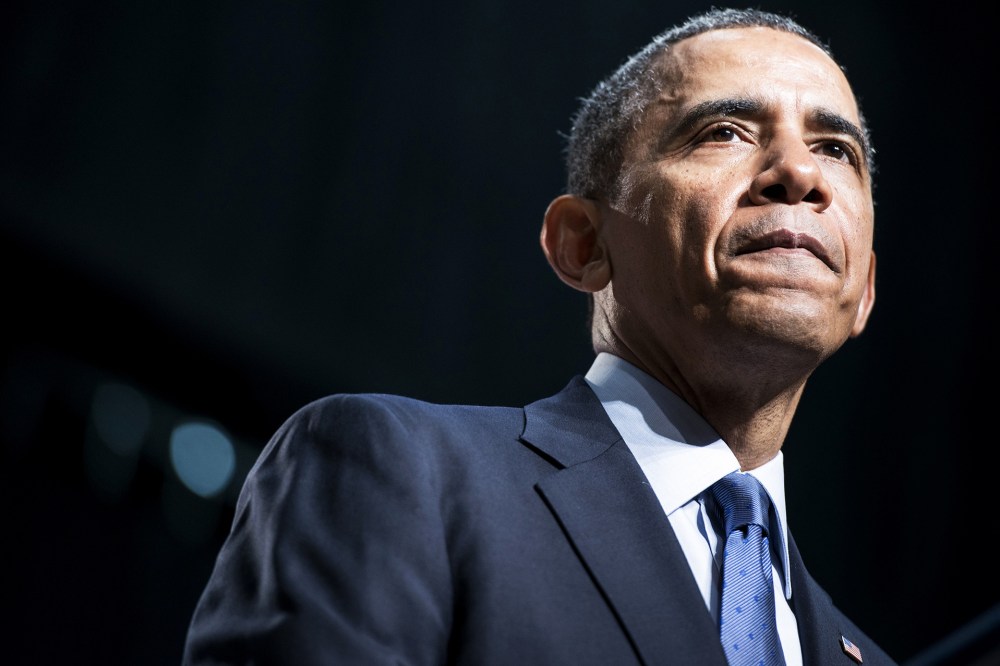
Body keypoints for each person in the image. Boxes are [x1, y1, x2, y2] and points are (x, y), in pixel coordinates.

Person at [182, 7, 897, 665]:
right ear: (583, 243)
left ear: (863, 287)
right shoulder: (403, 474)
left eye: (836, 149)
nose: (800, 174)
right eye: (725, 132)